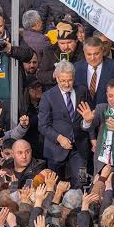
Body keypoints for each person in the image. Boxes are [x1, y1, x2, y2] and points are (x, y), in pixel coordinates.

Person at [38, 60, 89, 188]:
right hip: (55, 150)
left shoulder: (82, 91)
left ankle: (81, 205)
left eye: (70, 80)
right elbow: (43, 126)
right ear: (56, 78)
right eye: (63, 81)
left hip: (79, 148)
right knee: (53, 185)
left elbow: (88, 116)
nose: (66, 84)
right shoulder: (47, 96)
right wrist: (59, 138)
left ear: (74, 77)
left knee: (82, 181)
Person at [74, 36, 114, 106]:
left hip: (108, 114)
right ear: (84, 52)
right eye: (89, 54)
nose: (92, 58)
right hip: (83, 114)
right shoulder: (76, 67)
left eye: (96, 54)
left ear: (102, 51)